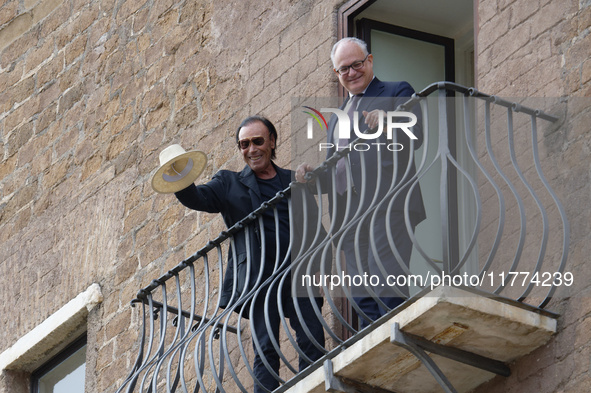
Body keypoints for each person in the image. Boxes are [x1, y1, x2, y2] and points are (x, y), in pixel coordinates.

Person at [175, 116, 325, 392]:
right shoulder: (228, 182)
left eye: (257, 141)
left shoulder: (294, 180)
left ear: (272, 142)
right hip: (258, 278)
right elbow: (198, 198)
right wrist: (178, 176)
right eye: (244, 144)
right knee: (265, 347)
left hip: (298, 270)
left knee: (312, 335)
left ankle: (312, 386)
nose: (251, 149)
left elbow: (314, 226)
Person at [296, 37, 426, 328]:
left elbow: (417, 133)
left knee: (387, 283)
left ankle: (396, 341)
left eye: (356, 64)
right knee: (360, 293)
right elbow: (337, 172)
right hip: (350, 216)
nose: (351, 72)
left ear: (369, 61)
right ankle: (377, 350)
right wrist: (312, 177)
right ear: (336, 74)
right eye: (343, 69)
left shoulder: (396, 90)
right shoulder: (336, 119)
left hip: (388, 205)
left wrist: (389, 119)